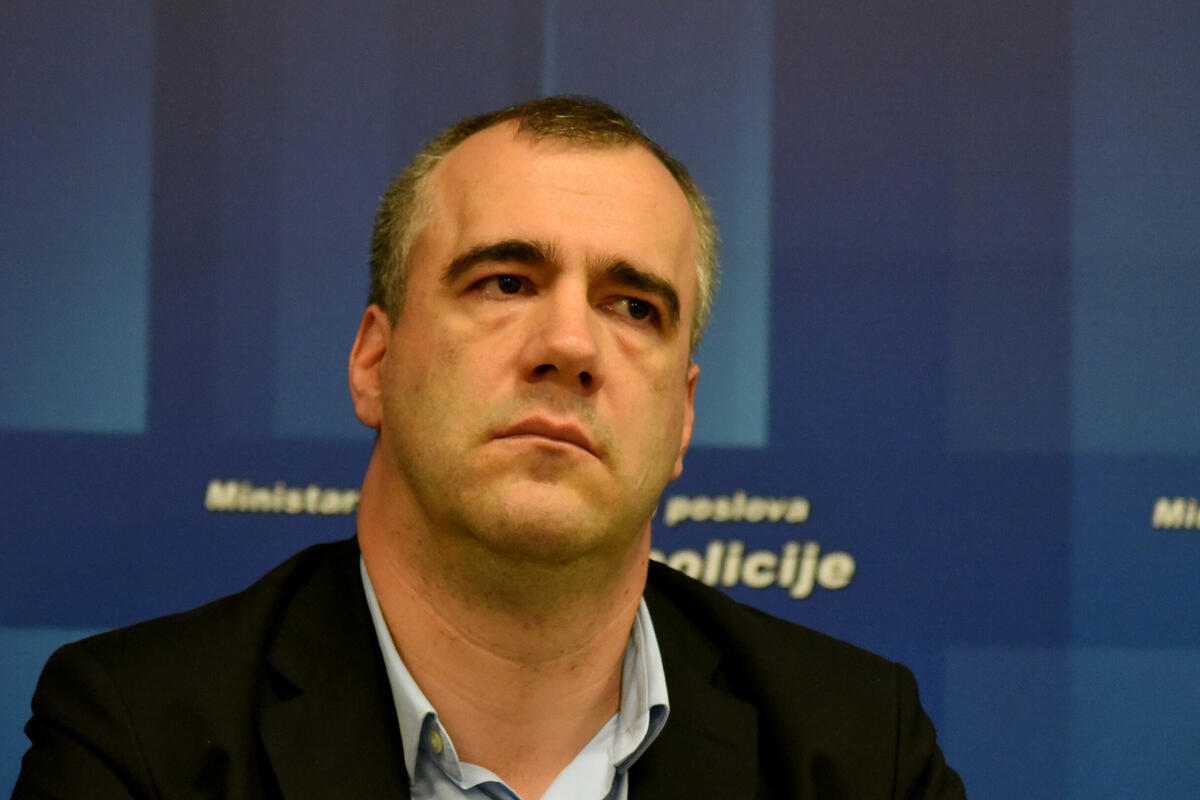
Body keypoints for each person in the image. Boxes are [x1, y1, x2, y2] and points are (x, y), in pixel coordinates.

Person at [14, 96, 966, 799]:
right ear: (375, 362)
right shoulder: (142, 740)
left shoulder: (856, 754)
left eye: (633, 307)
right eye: (506, 282)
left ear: (682, 418)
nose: (571, 345)